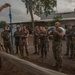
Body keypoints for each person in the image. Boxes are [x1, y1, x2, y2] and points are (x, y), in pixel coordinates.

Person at [0, 3, 11, 70]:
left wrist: (3, 7)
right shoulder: (2, 32)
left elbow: (10, 30)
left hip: (7, 41)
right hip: (5, 41)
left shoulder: (7, 31)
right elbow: (2, 36)